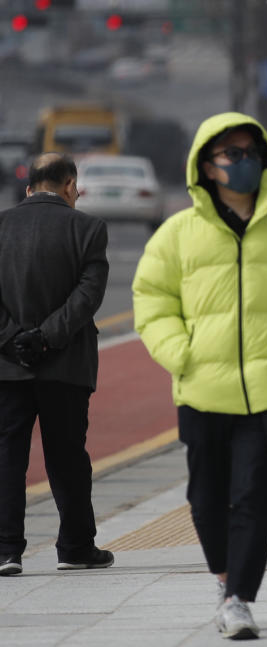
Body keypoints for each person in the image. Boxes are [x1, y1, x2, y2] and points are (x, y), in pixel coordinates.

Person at [133, 112, 267, 640]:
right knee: (206, 498)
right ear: (207, 165)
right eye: (232, 155)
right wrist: (182, 353)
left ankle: (239, 599)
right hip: (202, 389)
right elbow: (152, 299)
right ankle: (223, 579)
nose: (243, 162)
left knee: (253, 496)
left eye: (251, 153)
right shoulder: (178, 232)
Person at [0, 153, 112, 577]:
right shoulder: (87, 228)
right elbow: (88, 295)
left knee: (7, 454)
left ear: (29, 187)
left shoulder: (1, 224)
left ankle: (6, 550)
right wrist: (48, 337)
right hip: (66, 364)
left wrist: (11, 339)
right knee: (66, 455)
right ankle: (75, 546)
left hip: (6, 366)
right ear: (70, 186)